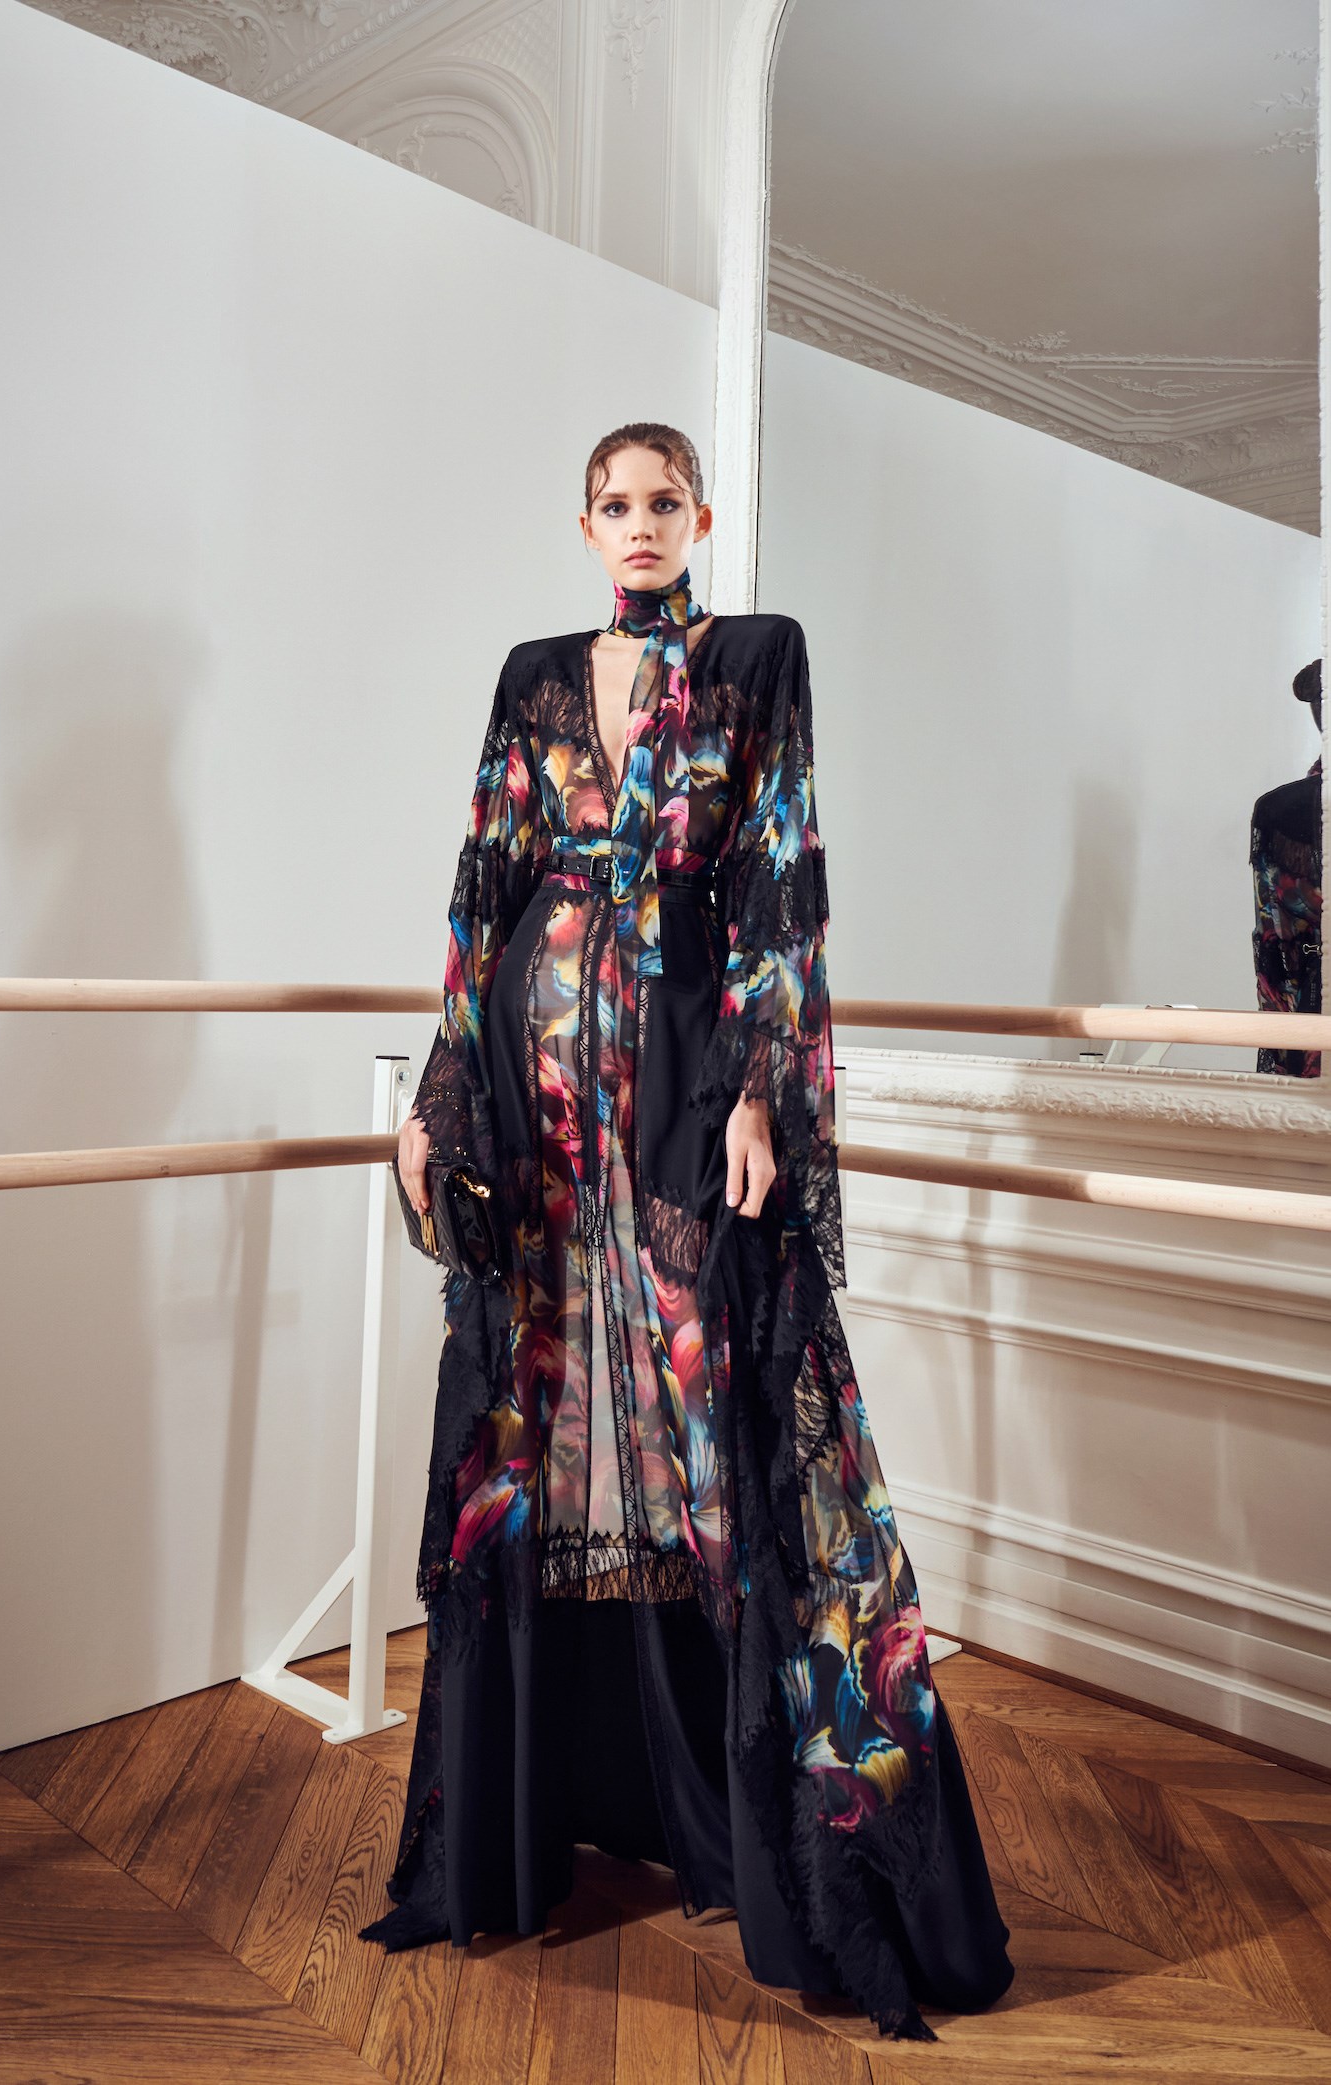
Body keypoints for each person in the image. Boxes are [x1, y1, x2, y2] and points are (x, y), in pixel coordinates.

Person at [357, 422, 1015, 2042]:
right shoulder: (530, 678)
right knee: (540, 1432)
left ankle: (798, 1857)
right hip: (533, 1100)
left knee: (724, 1435)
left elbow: (782, 883)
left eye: (664, 500)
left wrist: (761, 1096)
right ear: (583, 524)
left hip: (678, 1089)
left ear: (698, 515)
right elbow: (481, 891)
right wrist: (440, 1092)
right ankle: (543, 1815)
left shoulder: (757, 658)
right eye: (614, 503)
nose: (640, 522)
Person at [1251, 659, 1323, 1079]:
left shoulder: (1278, 807)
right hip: (1312, 1010)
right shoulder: (1282, 809)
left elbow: (1273, 945)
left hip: (1306, 1012)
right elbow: (1273, 944)